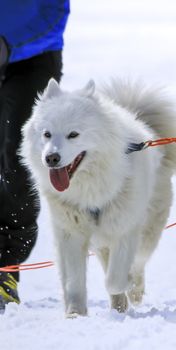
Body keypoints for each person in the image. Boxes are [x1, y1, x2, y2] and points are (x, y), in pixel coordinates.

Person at [0, 0, 70, 310]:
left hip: (32, 58)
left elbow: (54, 10)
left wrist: (7, 44)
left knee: (18, 159)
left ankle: (6, 268)